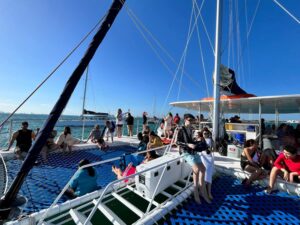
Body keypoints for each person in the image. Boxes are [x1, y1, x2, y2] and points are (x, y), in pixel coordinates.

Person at [176, 114, 211, 204]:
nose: (191, 121)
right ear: (185, 120)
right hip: (185, 152)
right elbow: (177, 142)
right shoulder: (180, 129)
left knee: (203, 169)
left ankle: (202, 191)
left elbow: (192, 141)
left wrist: (198, 141)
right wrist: (188, 144)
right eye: (190, 120)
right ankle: (196, 192)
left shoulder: (192, 129)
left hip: (193, 151)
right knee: (196, 169)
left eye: (192, 120)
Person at [195, 131, 213, 200]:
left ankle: (209, 192)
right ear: (202, 134)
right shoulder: (200, 140)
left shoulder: (211, 140)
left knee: (209, 175)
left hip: (209, 157)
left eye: (207, 133)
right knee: (202, 175)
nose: (206, 134)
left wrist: (210, 149)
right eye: (204, 133)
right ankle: (201, 192)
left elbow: (213, 149)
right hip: (203, 158)